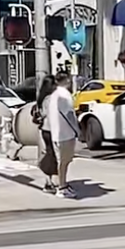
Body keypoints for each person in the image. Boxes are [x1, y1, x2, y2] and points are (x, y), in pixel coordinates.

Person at [47, 70, 80, 198]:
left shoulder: (54, 95)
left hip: (56, 133)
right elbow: (69, 115)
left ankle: (63, 185)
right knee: (64, 162)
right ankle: (62, 187)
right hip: (65, 134)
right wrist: (78, 130)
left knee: (62, 161)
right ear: (66, 80)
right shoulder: (65, 95)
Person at [32, 75, 58, 193]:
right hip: (51, 128)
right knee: (53, 155)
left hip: (45, 129)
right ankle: (51, 181)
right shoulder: (50, 98)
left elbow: (41, 113)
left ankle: (49, 181)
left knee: (50, 152)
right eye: (54, 84)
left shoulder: (42, 98)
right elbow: (51, 113)